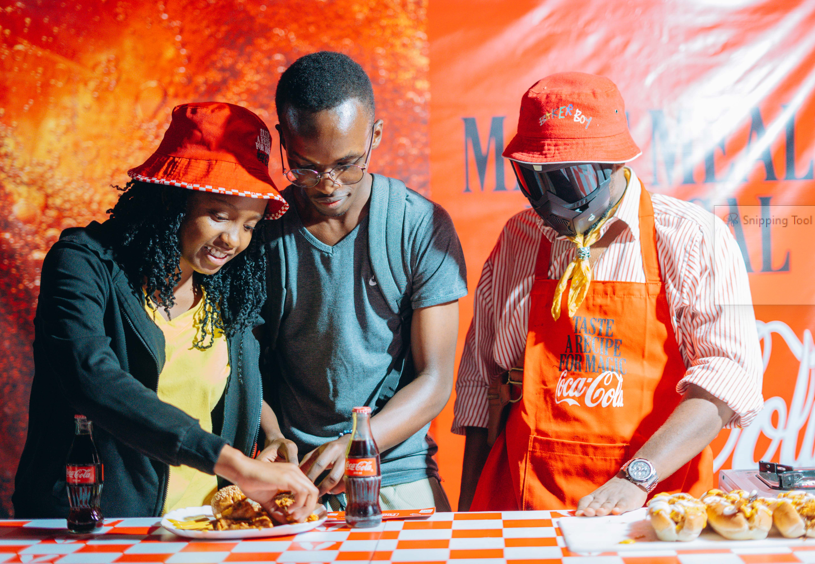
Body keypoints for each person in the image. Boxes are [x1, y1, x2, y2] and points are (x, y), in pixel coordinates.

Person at [453, 72, 764, 514]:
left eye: (566, 182)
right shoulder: (520, 237)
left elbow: (727, 382)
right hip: (527, 505)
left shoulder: (692, 238)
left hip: (654, 509)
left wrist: (636, 478)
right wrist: (468, 513)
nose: (547, 203)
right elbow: (484, 383)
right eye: (531, 179)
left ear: (615, 164)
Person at [13, 102, 318, 521]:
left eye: (249, 225)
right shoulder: (82, 264)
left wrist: (271, 434)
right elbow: (93, 379)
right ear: (171, 201)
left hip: (200, 527)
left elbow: (222, 381)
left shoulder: (223, 293)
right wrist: (233, 463)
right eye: (218, 215)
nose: (233, 240)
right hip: (94, 528)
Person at [258, 51, 467, 511]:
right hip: (295, 481)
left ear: (375, 135)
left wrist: (360, 441)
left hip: (395, 467)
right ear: (283, 140)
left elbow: (434, 380)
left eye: (347, 164)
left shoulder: (420, 226)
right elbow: (239, 364)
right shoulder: (259, 231)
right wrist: (272, 437)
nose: (328, 184)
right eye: (306, 167)